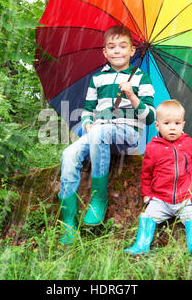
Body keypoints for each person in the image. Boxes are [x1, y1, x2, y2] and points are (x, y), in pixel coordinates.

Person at [57, 25, 155, 245]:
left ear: (132, 51)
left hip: (127, 134)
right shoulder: (97, 78)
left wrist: (131, 94)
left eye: (123, 46)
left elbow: (149, 117)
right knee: (69, 154)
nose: (117, 51)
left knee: (102, 133)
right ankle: (69, 222)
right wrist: (89, 123)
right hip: (99, 134)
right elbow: (88, 110)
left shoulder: (141, 78)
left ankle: (98, 201)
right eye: (111, 47)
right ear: (105, 52)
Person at [124, 100, 192, 255]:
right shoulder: (153, 148)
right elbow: (146, 173)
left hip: (186, 196)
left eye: (177, 123)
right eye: (167, 123)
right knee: (148, 215)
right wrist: (147, 193)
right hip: (161, 197)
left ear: (183, 125)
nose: (172, 127)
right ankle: (141, 245)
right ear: (157, 125)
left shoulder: (187, 143)